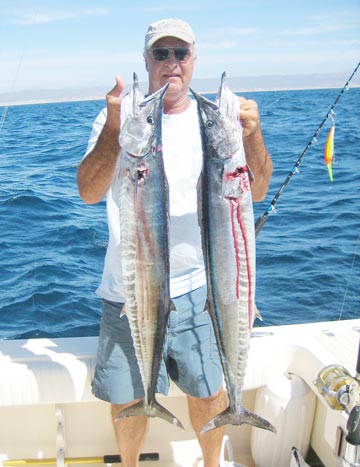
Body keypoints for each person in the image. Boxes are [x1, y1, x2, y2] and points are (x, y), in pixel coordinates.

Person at [77, 18, 272, 467]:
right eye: (160, 54)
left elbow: (256, 190)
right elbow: (88, 192)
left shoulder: (214, 121)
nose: (171, 64)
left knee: (207, 389)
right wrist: (113, 130)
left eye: (180, 54)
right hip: (130, 287)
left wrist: (253, 135)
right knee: (127, 397)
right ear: (146, 60)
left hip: (202, 287)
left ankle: (211, 463)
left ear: (193, 59)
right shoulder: (121, 119)